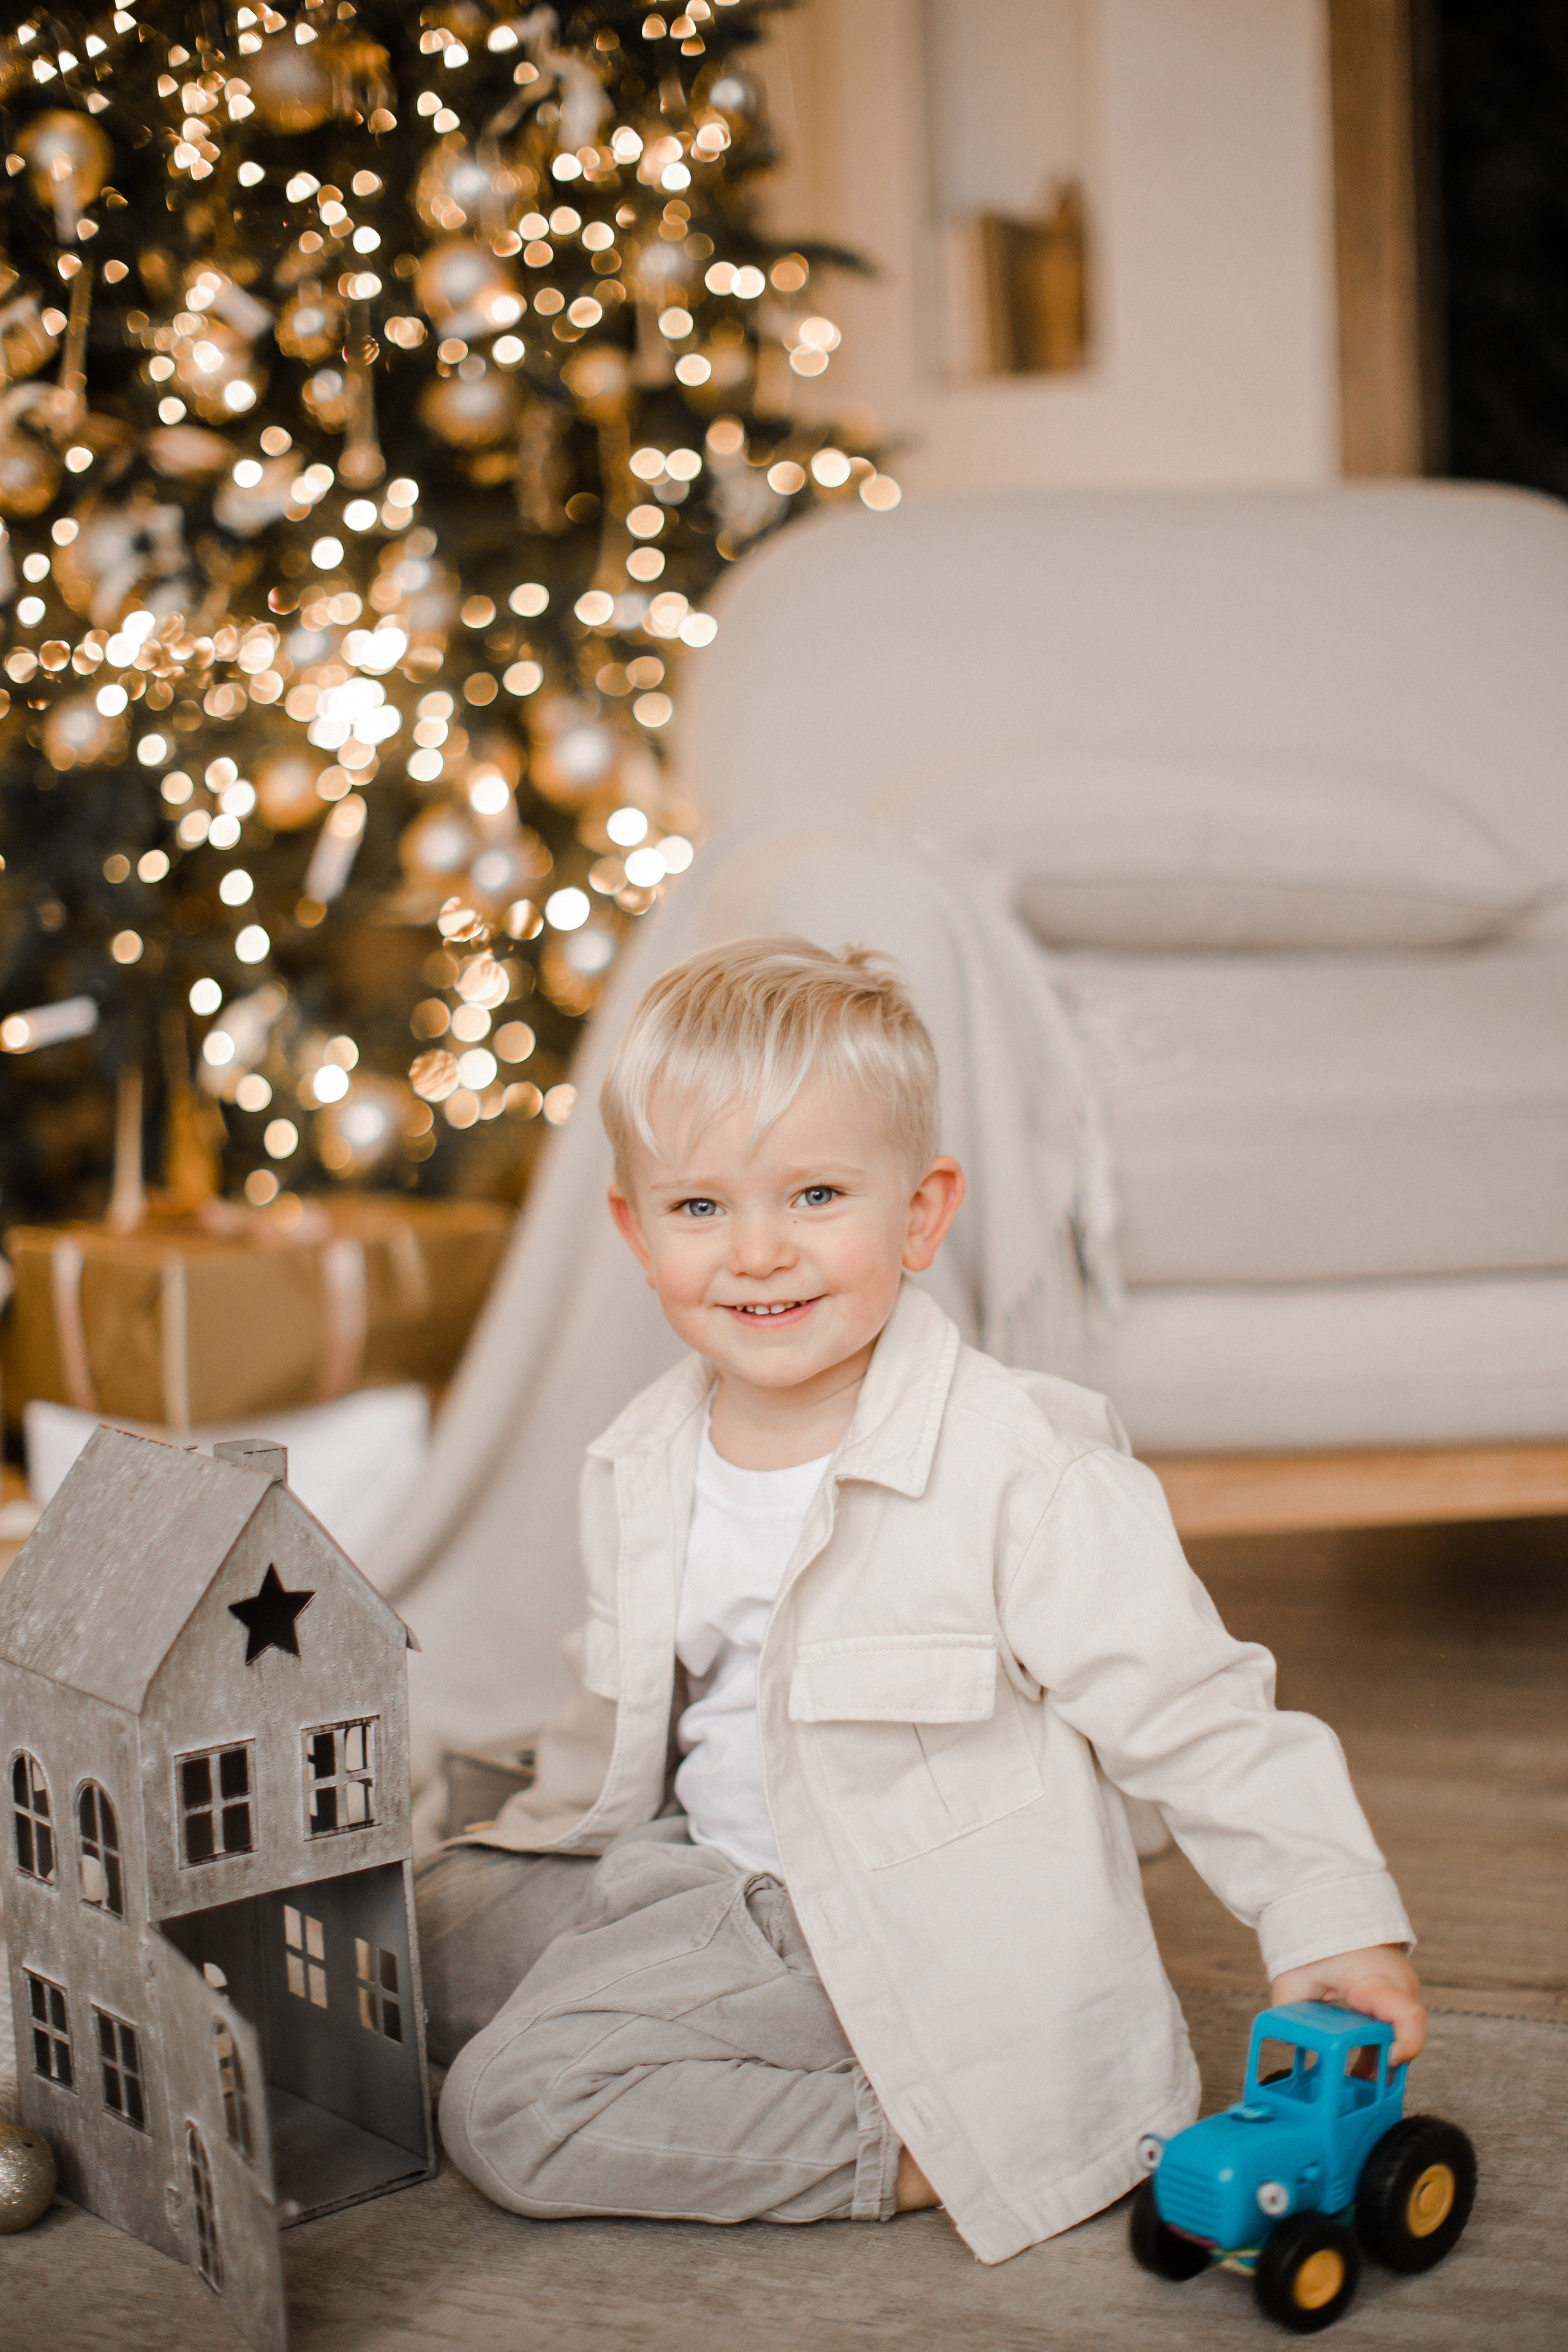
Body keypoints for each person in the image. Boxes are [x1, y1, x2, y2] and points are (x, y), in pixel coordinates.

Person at [416, 938, 1422, 2264]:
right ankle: (605, 1998)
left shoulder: (1019, 1467)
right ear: (632, 1228)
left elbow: (1199, 1712)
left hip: (873, 1932)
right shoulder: (640, 1460)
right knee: (413, 1936)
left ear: (920, 1213)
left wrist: (1332, 1919)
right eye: (699, 1207)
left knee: (510, 2109)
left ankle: (917, 2147)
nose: (756, 1252)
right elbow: (612, 1723)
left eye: (815, 1193)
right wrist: (529, 1861)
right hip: (691, 1871)